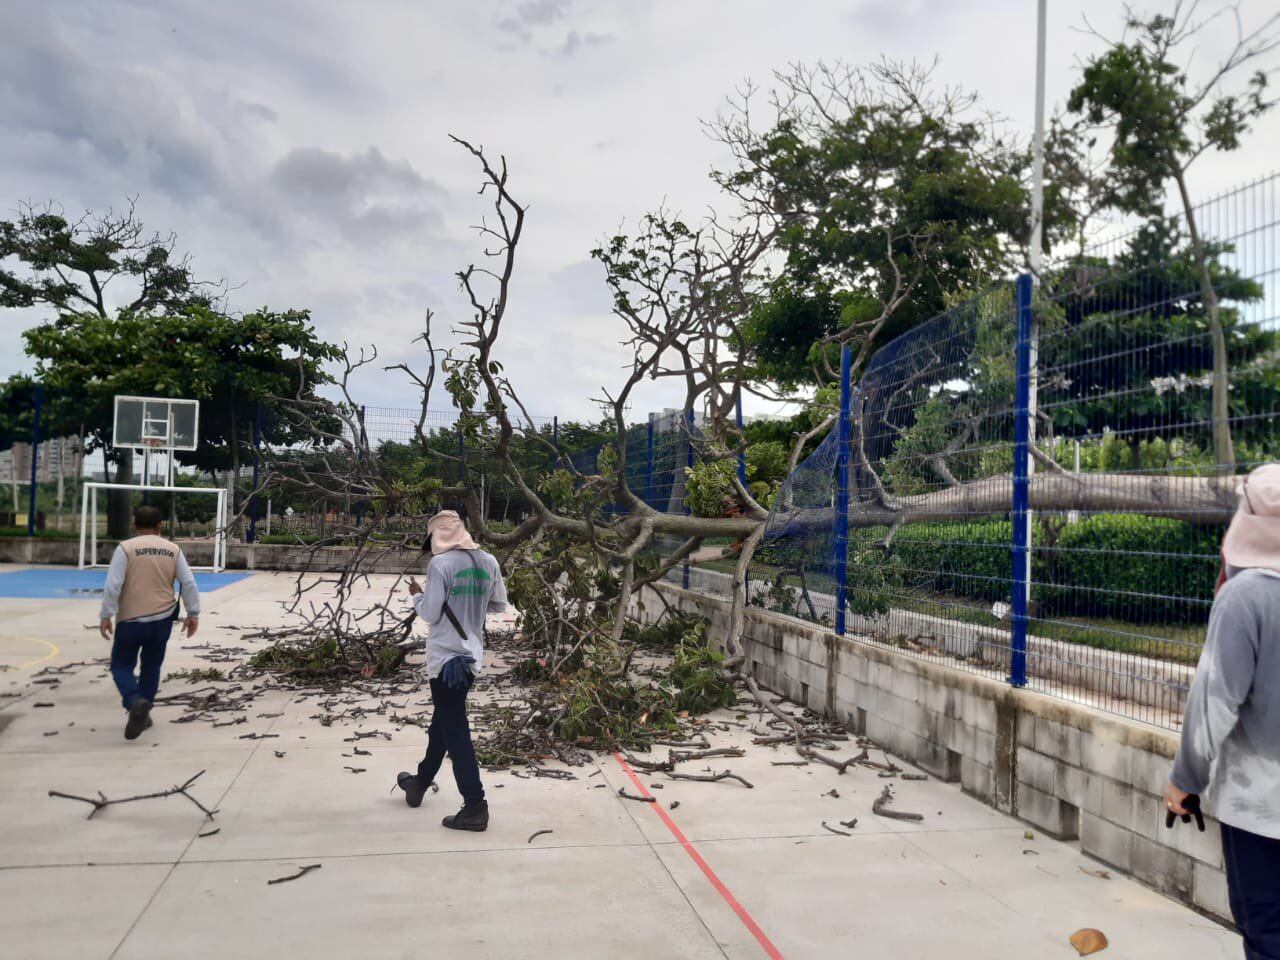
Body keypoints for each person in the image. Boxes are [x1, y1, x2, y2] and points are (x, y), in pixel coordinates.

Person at [1166, 462, 1280, 959]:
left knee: (1267, 932)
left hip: (1262, 810)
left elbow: (1214, 704)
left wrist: (1184, 780)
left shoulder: (1245, 598)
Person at [395, 509, 507, 832]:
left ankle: (475, 805)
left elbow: (430, 614)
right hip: (470, 659)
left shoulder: (440, 565)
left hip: (445, 661)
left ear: (437, 537)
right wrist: (470, 603)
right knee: (442, 725)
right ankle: (419, 783)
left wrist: (417, 596)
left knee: (455, 730)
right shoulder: (489, 562)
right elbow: (498, 605)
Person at [98, 505, 201, 740]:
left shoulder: (125, 549)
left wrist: (106, 615)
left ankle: (134, 701)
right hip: (161, 619)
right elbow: (189, 583)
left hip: (131, 619)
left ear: (134, 525)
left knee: (121, 666)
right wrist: (193, 613)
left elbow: (113, 585)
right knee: (151, 666)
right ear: (160, 526)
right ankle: (144, 710)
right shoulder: (173, 550)